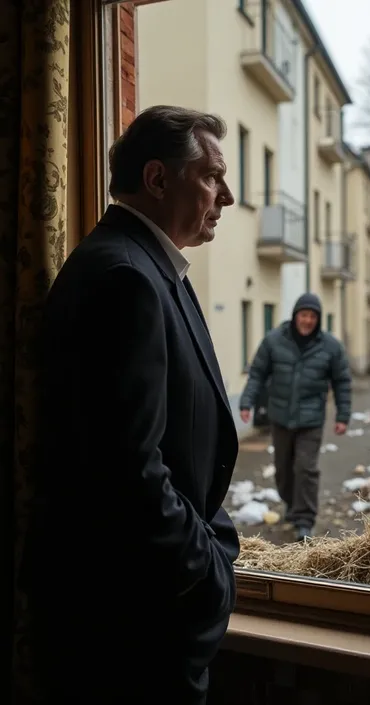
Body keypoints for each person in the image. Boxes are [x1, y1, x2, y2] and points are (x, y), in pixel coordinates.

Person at [24, 106, 238, 705]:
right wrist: (207, 574)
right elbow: (129, 473)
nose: (227, 195)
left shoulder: (149, 268)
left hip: (149, 614)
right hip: (132, 628)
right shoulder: (124, 277)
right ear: (158, 179)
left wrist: (215, 548)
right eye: (212, 176)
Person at [239, 293, 352, 541]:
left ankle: (304, 520)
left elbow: (342, 381)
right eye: (304, 315)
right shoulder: (274, 341)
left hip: (311, 420)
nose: (307, 320)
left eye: (313, 316)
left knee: (306, 468)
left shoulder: (330, 347)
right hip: (280, 417)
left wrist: (343, 415)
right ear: (295, 316)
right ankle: (291, 504)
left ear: (318, 319)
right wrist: (246, 402)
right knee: (283, 470)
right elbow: (257, 373)